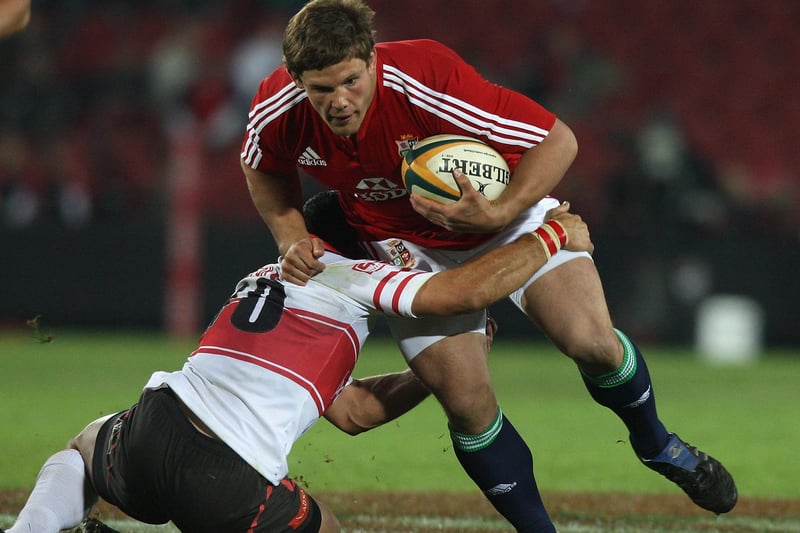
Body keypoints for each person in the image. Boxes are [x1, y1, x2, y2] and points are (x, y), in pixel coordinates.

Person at [239, 0, 737, 529]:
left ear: (372, 61)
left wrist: (499, 209)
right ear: (296, 80)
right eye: (322, 89)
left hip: (507, 219)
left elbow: (557, 140)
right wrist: (292, 238)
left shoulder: (423, 76)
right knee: (468, 407)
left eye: (350, 82)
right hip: (407, 249)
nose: (339, 102)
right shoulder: (277, 107)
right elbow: (264, 170)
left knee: (593, 343)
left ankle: (657, 445)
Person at [3, 194, 593, 533]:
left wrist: (425, 377)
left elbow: (352, 410)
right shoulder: (355, 272)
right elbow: (454, 296)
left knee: (82, 447)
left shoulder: (263, 275)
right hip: (227, 471)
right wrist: (546, 238)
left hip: (154, 424)